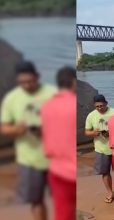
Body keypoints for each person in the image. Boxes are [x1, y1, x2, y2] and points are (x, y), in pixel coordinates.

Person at [1, 61, 56, 220]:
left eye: (30, 81)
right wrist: (15, 130)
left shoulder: (51, 93)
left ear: (37, 77)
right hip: (29, 160)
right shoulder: (11, 99)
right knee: (36, 200)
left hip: (55, 156)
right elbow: (4, 127)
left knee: (64, 196)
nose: (27, 85)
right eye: (22, 82)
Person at [41, 67, 76, 220]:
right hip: (71, 168)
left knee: (62, 211)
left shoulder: (46, 106)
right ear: (73, 82)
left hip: (56, 167)